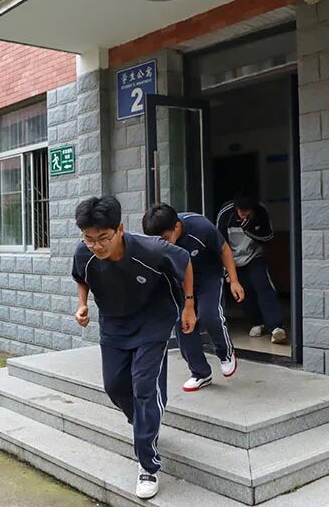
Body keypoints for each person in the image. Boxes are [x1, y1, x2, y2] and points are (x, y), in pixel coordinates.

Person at [72, 196, 196, 500]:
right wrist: (82, 305)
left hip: (153, 320)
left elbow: (185, 262)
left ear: (120, 229)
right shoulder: (84, 252)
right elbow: (81, 277)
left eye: (103, 238)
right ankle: (144, 420)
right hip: (114, 323)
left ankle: (148, 465)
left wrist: (189, 305)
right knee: (114, 386)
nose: (96, 246)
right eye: (89, 239)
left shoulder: (151, 249)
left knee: (143, 387)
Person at [142, 203, 243, 392]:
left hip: (208, 276)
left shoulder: (200, 227)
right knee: (183, 324)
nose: (162, 244)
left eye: (165, 238)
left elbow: (224, 250)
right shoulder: (157, 243)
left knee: (209, 315)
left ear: (177, 226)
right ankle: (200, 373)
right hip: (181, 281)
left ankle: (225, 353)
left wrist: (234, 281)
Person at [217, 193, 287, 344]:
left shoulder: (261, 211)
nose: (242, 213)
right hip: (233, 259)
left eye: (246, 211)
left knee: (264, 287)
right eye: (239, 210)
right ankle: (257, 322)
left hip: (255, 255)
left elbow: (268, 236)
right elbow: (220, 244)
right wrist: (227, 272)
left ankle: (276, 327)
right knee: (244, 292)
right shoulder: (226, 213)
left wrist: (249, 228)